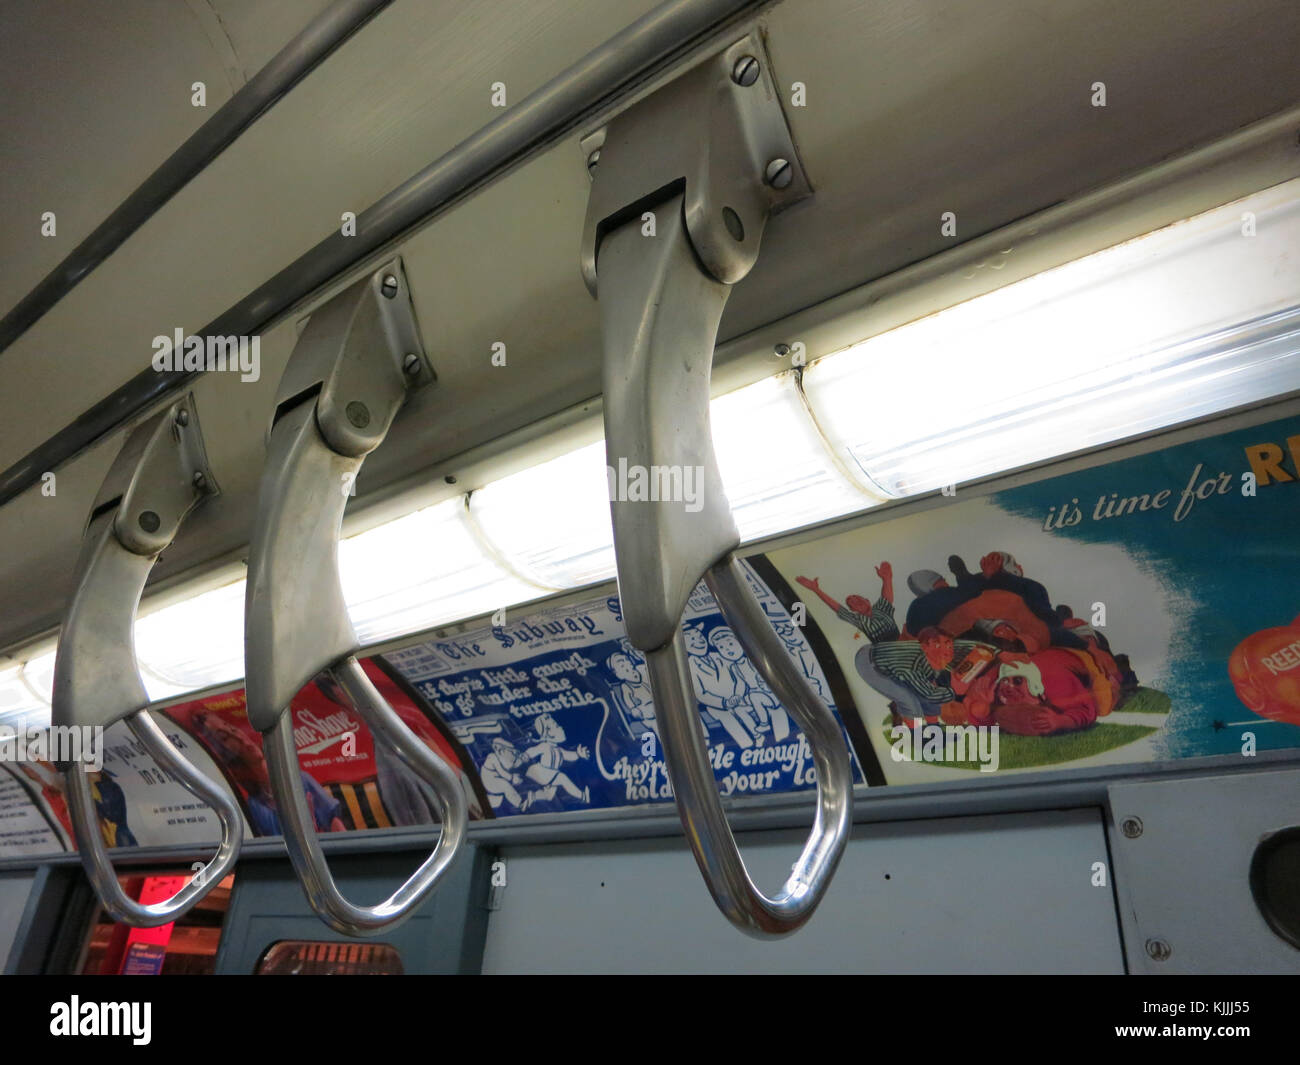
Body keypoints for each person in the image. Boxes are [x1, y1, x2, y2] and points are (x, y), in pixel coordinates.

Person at [797, 562, 897, 642]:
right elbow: (837, 607)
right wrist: (816, 590)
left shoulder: (881, 609)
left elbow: (886, 597)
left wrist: (887, 578)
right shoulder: (858, 620)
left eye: (857, 598)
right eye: (852, 603)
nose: (855, 601)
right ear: (853, 610)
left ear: (867, 600)